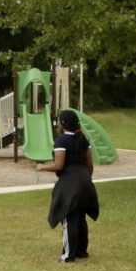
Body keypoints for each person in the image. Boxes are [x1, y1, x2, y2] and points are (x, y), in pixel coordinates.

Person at [37, 109, 99, 262]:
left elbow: (59, 165)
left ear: (62, 124)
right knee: (80, 217)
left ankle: (68, 256)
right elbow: (90, 164)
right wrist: (85, 181)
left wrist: (41, 167)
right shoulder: (83, 139)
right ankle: (81, 252)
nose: (57, 123)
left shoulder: (62, 141)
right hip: (85, 179)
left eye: (58, 121)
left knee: (69, 218)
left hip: (70, 183)